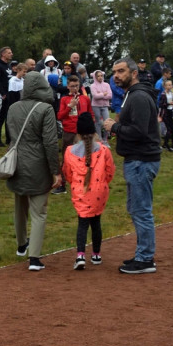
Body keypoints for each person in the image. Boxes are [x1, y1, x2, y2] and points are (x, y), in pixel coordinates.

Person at [102, 58, 161, 275]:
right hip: (137, 160)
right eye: (114, 72)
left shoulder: (138, 96)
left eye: (121, 71)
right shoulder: (132, 95)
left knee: (142, 210)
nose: (116, 75)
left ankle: (145, 259)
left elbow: (140, 131)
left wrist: (114, 126)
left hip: (141, 160)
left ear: (134, 73)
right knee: (136, 209)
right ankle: (143, 255)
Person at [5, 72, 61, 270]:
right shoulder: (46, 108)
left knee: (19, 206)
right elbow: (50, 142)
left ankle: (22, 245)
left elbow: (9, 134)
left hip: (17, 162)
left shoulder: (13, 107)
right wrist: (56, 170)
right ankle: (34, 258)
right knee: (39, 212)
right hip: (37, 164)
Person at [62, 113, 115, 270]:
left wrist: (75, 185)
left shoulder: (69, 151)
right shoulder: (104, 150)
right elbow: (110, 171)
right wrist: (103, 183)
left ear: (78, 133)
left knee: (82, 223)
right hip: (99, 192)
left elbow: (68, 173)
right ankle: (96, 254)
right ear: (94, 132)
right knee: (96, 222)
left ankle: (80, 255)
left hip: (80, 192)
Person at [55, 75, 93, 194]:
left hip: (84, 133)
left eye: (76, 86)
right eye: (72, 86)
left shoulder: (85, 99)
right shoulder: (65, 99)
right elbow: (60, 116)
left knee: (86, 157)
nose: (75, 88)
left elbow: (91, 113)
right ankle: (62, 184)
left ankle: (87, 181)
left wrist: (91, 126)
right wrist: (69, 107)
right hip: (70, 132)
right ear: (68, 86)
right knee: (67, 159)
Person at [89, 70, 112, 140]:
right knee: (98, 122)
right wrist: (103, 94)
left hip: (105, 106)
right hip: (96, 106)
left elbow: (110, 96)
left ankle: (105, 139)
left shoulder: (107, 85)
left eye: (101, 75)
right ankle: (99, 138)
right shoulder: (92, 86)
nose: (100, 77)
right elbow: (95, 96)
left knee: (107, 121)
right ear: (95, 77)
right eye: (98, 76)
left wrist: (100, 95)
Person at [158, 79, 173, 152]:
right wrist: (169, 103)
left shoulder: (171, 94)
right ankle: (165, 144)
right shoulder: (163, 94)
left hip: (170, 112)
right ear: (165, 86)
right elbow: (161, 104)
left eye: (171, 84)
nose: (170, 86)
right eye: (169, 85)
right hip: (165, 113)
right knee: (169, 129)